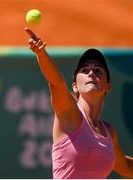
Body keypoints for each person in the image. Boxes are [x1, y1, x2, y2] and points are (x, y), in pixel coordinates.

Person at [25, 27, 133, 179]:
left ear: (108, 86)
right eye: (85, 70)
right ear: (75, 85)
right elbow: (57, 83)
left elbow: (127, 168)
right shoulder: (70, 113)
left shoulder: (109, 133)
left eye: (98, 70)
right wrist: (41, 54)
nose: (91, 73)